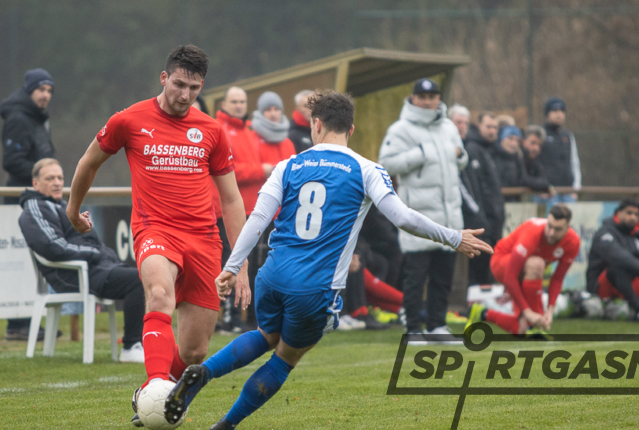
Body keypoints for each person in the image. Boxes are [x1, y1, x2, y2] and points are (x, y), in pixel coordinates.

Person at [162, 90, 492, 429]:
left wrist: (232, 267)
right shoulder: (366, 169)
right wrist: (454, 237)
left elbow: (258, 218)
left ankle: (203, 372)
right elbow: (403, 218)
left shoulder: (288, 165)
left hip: (272, 276)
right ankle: (226, 424)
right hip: (313, 287)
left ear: (316, 125)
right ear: (351, 130)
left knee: (266, 335)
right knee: (285, 358)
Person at [63, 45, 249, 427]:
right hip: (155, 229)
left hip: (204, 240)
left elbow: (231, 200)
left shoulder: (212, 130)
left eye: (194, 88)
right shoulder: (129, 120)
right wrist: (72, 210)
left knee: (194, 352)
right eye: (179, 84)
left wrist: (240, 262)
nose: (185, 94)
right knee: (160, 295)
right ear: (164, 78)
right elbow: (89, 162)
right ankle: (153, 389)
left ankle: (155, 393)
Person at [18, 159, 146, 361]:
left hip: (94, 268)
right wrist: (94, 254)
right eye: (50, 178)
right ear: (35, 184)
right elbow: (53, 247)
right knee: (138, 279)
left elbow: (88, 242)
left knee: (148, 276)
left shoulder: (63, 206)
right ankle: (131, 346)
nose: (57, 182)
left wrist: (103, 254)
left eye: (60, 178)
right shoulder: (34, 208)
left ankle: (142, 342)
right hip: (72, 275)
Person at [378, 78, 469, 339]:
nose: (428, 102)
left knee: (443, 276)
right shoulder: (400, 129)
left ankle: (436, 325)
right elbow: (386, 163)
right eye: (423, 97)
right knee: (415, 278)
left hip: (449, 215)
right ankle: (413, 329)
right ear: (413, 98)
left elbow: (460, 158)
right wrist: (420, 153)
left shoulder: (448, 126)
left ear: (438, 98)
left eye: (433, 97)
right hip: (418, 216)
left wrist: (461, 155)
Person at [466, 205, 580, 337]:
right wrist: (527, 312)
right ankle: (534, 326)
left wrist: (550, 310)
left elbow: (557, 279)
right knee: (536, 264)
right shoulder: (533, 233)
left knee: (521, 329)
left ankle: (482, 313)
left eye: (558, 229)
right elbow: (510, 277)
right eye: (550, 226)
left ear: (567, 228)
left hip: (526, 272)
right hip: (501, 262)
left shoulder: (573, 242)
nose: (551, 233)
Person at [215, 87, 273, 332]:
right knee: (232, 261)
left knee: (251, 263)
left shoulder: (248, 131)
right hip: (228, 210)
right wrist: (261, 170)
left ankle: (245, 318)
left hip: (252, 208)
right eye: (234, 101)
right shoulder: (220, 130)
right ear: (224, 104)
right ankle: (230, 318)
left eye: (242, 101)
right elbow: (228, 170)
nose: (239, 105)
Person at [1, 68, 56, 204]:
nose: (46, 95)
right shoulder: (17, 119)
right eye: (41, 90)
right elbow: (12, 161)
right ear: (29, 90)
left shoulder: (40, 118)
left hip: (40, 194)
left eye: (49, 91)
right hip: (22, 198)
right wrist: (45, 173)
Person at [462, 112, 505, 285]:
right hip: (481, 222)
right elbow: (475, 190)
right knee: (478, 270)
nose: (492, 131)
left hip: (493, 219)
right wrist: (481, 219)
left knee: (489, 269)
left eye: (495, 127)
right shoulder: (472, 149)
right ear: (478, 126)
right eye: (488, 126)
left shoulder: (490, 149)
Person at [490, 125, 553, 201]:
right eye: (510, 138)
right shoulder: (492, 157)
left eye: (517, 140)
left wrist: (545, 185)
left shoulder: (517, 159)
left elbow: (524, 179)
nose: (514, 144)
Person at [537, 97, 581, 203]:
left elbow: (574, 163)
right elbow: (534, 163)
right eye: (555, 110)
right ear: (547, 113)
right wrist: (539, 187)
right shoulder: (539, 134)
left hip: (568, 192)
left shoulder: (568, 136)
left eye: (562, 111)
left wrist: (576, 188)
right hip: (547, 193)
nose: (559, 114)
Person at [253, 91, 296, 167]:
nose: (273, 113)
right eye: (268, 110)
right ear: (261, 113)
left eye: (276, 109)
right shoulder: (253, 140)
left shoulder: (288, 143)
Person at [521, 125, 554, 199]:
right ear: (523, 140)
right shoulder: (517, 157)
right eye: (532, 143)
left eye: (539, 145)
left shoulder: (536, 159)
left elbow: (543, 178)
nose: (536, 148)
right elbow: (523, 179)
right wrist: (544, 186)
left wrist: (544, 186)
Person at [287, 89, 314, 154]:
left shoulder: (323, 128)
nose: (310, 109)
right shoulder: (291, 133)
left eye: (313, 105)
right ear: (298, 108)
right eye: (306, 106)